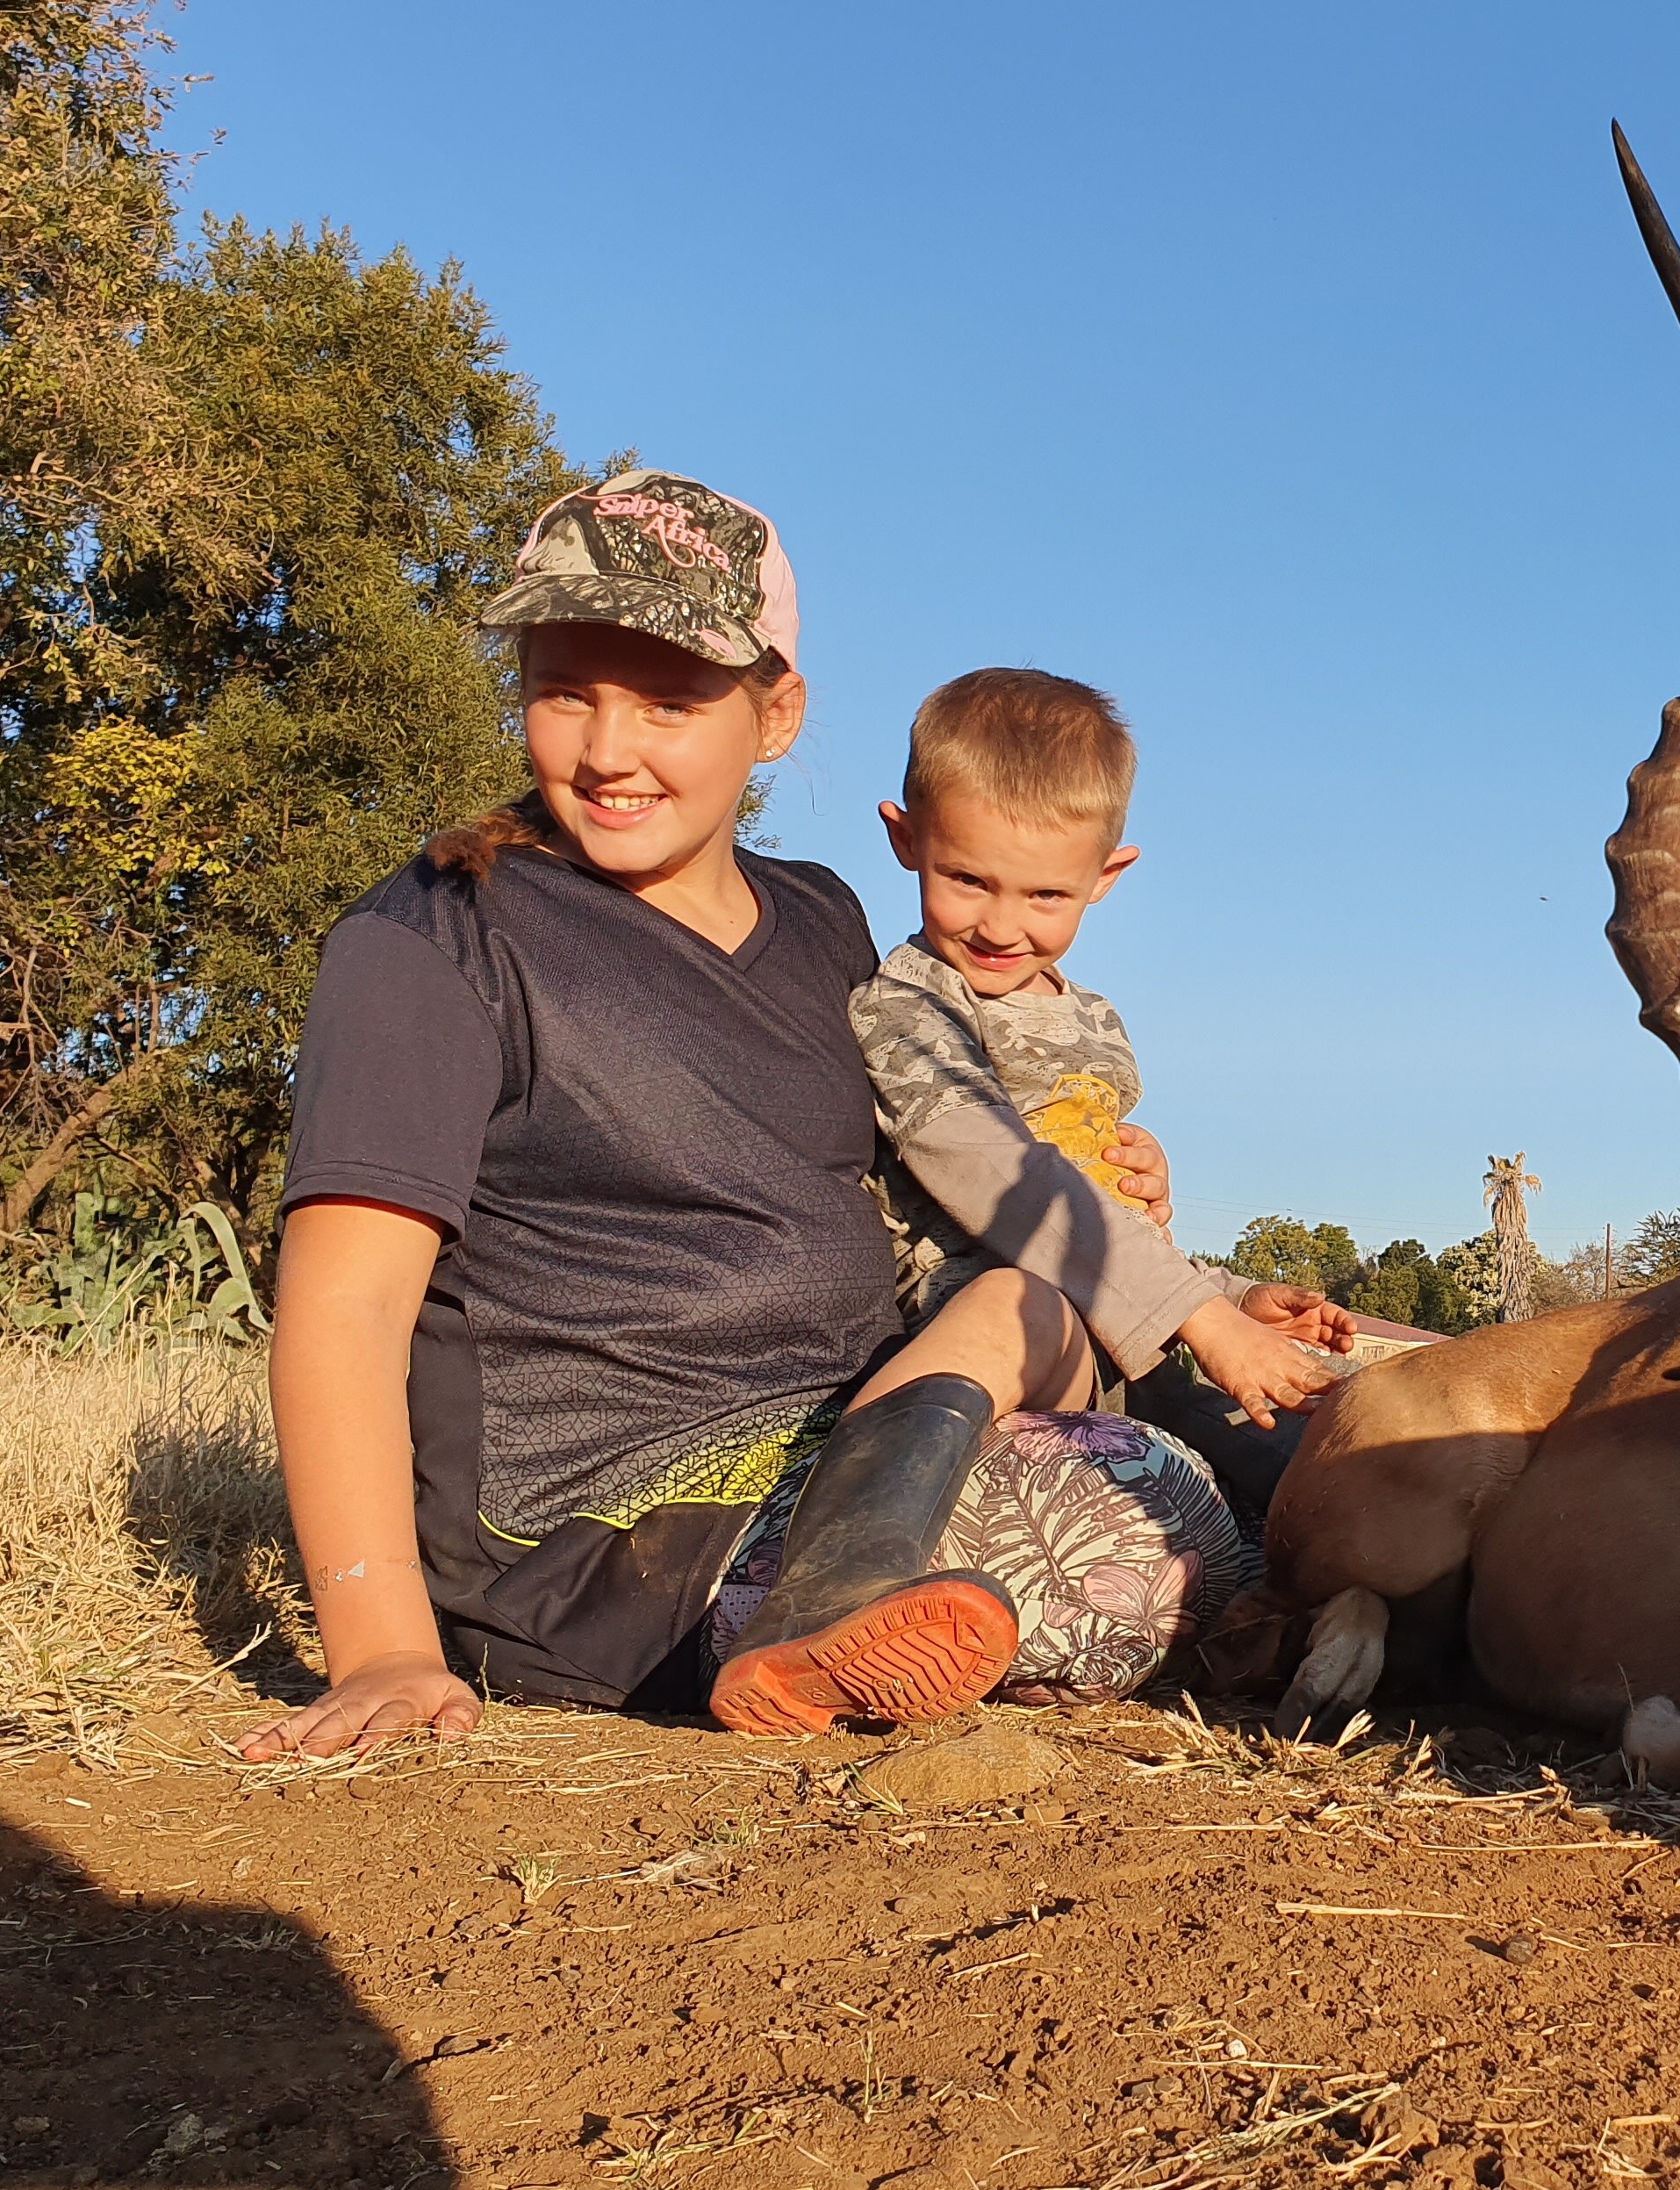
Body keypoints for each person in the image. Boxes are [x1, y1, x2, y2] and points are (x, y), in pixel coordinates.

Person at [242, 471, 1245, 1760]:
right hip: (610, 1535)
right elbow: (345, 1303)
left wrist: (1100, 1179)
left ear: (776, 714)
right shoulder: (436, 936)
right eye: (564, 691)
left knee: (1210, 1449)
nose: (609, 751)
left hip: (855, 1429)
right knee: (1151, 1534)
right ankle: (817, 1627)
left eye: (668, 701)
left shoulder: (824, 918)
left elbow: (915, 1159)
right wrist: (382, 1645)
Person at [745, 667, 1356, 1734]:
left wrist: (1234, 1293)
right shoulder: (908, 1006)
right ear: (903, 837)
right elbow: (987, 1165)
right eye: (966, 879)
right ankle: (830, 1599)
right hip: (979, 1308)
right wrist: (1200, 1319)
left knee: (1332, 1423)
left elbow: (1103, 1213)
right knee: (1016, 1300)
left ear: (1108, 875)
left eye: (1045, 895)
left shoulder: (1096, 1025)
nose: (999, 923)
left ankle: (1387, 1594)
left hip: (1120, 1328)